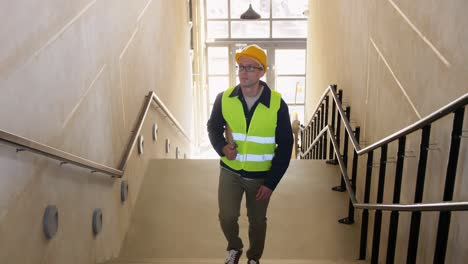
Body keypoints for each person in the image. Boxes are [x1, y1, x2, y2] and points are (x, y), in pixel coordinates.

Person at [207, 44, 293, 264]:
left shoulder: (276, 104)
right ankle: (234, 248)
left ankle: (254, 258)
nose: (243, 72)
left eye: (250, 67)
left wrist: (271, 183)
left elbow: (285, 146)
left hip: (260, 177)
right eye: (240, 67)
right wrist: (221, 147)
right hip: (230, 171)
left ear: (262, 71)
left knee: (257, 222)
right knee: (226, 217)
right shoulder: (224, 98)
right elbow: (213, 128)